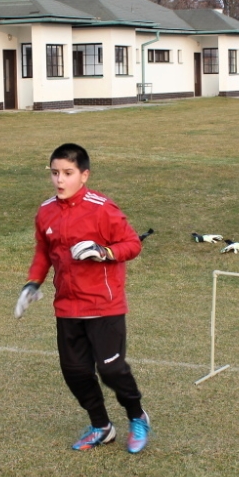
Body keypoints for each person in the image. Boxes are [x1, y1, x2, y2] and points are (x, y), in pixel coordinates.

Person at [15, 143, 151, 453]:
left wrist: (104, 252)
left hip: (104, 306)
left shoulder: (102, 208)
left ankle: (137, 416)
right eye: (54, 173)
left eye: (67, 173)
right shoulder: (46, 210)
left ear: (84, 175)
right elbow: (43, 253)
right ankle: (102, 427)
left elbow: (132, 244)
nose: (60, 180)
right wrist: (32, 284)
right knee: (75, 372)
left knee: (111, 370)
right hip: (67, 308)